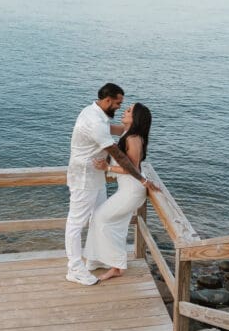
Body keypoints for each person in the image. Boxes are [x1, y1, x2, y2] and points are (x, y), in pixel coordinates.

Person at [64, 84, 159, 286]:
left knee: (99, 219)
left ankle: (100, 260)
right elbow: (120, 157)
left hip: (98, 180)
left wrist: (109, 169)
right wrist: (141, 179)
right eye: (119, 104)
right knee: (77, 222)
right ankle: (75, 268)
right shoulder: (96, 121)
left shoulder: (98, 116)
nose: (120, 108)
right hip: (84, 178)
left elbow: (125, 139)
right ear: (108, 100)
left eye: (126, 108)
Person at [85, 103, 152, 281]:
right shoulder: (126, 131)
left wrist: (108, 167)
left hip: (132, 190)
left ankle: (117, 266)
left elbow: (133, 168)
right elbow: (105, 127)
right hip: (127, 188)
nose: (125, 111)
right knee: (114, 225)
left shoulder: (133, 139)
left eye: (129, 111)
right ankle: (99, 260)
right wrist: (90, 115)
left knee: (100, 218)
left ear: (136, 117)